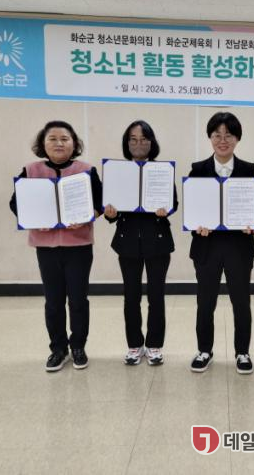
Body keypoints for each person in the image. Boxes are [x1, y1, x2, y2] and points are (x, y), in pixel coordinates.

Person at [9, 120, 103, 372]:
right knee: (53, 301)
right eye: (53, 138)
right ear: (43, 143)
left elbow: (100, 204)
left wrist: (89, 216)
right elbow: (16, 203)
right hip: (46, 248)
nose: (59, 143)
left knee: (78, 300)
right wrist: (33, 220)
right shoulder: (31, 170)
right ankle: (58, 349)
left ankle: (78, 346)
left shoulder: (86, 170)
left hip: (79, 246)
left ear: (74, 143)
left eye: (65, 138)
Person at [188, 112, 254, 375]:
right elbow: (193, 210)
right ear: (209, 138)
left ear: (237, 138)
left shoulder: (248, 170)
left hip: (238, 247)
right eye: (217, 135)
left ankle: (242, 352)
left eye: (228, 135)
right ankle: (204, 350)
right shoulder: (198, 170)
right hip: (206, 246)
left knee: (241, 302)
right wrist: (196, 225)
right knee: (205, 302)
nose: (222, 140)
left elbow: (253, 211)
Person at [103, 121, 177, 367]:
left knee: (156, 296)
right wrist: (110, 214)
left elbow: (173, 202)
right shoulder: (117, 172)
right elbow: (111, 209)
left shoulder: (162, 171)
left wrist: (166, 210)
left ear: (152, 142)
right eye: (133, 139)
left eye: (144, 139)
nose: (138, 144)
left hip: (158, 241)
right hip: (127, 242)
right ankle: (134, 344)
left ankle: (154, 345)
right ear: (127, 143)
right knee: (131, 296)